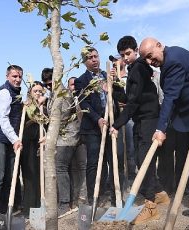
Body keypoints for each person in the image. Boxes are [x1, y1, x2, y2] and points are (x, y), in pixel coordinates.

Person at [140, 37, 189, 229]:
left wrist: (160, 128)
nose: (151, 62)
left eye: (151, 56)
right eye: (147, 60)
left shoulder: (173, 60)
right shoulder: (171, 56)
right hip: (188, 117)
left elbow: (170, 97)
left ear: (159, 45)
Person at [109, 35, 169, 225]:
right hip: (142, 119)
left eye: (128, 53)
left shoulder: (139, 68)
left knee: (144, 160)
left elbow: (132, 102)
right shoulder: (138, 68)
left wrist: (116, 124)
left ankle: (150, 205)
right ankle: (160, 194)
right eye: (122, 55)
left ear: (135, 50)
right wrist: (114, 87)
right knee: (142, 158)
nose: (125, 58)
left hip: (148, 119)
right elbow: (130, 97)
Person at [74, 46, 124, 206]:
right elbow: (84, 104)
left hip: (111, 125)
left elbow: (119, 95)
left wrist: (115, 82)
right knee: (95, 163)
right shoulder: (81, 80)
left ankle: (117, 197)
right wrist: (98, 119)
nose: (94, 59)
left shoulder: (106, 75)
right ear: (84, 61)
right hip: (93, 128)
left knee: (114, 159)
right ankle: (95, 197)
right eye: (90, 57)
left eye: (96, 56)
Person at [0, 65, 24, 223]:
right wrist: (15, 139)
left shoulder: (17, 93)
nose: (17, 79)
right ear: (7, 76)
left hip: (11, 140)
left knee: (10, 177)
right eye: (14, 76)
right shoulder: (4, 92)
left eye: (19, 76)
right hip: (0, 139)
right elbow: (3, 119)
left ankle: (2, 212)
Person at [55, 76, 86, 214]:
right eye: (71, 85)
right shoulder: (66, 98)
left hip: (76, 139)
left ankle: (73, 201)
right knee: (63, 169)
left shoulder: (81, 98)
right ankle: (66, 203)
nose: (73, 87)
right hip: (67, 139)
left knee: (76, 169)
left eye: (75, 84)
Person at [109, 53, 137, 184]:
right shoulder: (109, 79)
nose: (115, 62)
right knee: (118, 150)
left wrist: (127, 103)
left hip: (130, 117)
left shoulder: (129, 77)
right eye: (113, 61)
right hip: (116, 118)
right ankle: (118, 179)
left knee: (130, 149)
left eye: (117, 59)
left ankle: (131, 177)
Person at [20, 81, 47, 216]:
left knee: (40, 175)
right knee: (29, 175)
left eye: (40, 91)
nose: (38, 93)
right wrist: (37, 106)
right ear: (30, 92)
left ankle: (39, 205)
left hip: (41, 144)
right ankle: (28, 208)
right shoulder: (26, 106)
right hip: (28, 144)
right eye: (35, 91)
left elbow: (49, 124)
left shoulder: (45, 107)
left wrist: (46, 137)